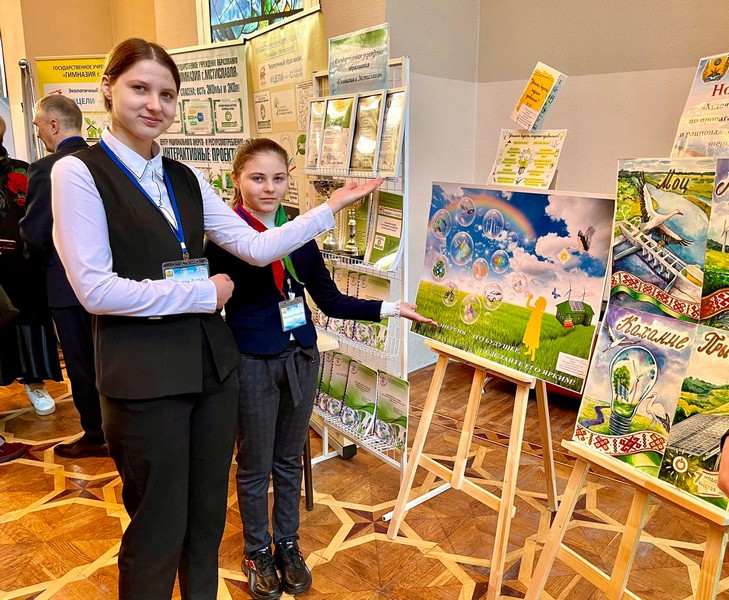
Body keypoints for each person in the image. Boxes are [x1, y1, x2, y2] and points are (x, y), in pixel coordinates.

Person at [50, 38, 381, 600]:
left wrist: (329, 209)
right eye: (140, 88)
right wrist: (203, 293)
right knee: (159, 526)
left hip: (211, 369)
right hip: (144, 377)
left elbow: (257, 246)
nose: (154, 104)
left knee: (206, 519)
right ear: (107, 88)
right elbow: (96, 289)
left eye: (167, 94)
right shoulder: (78, 173)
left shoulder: (183, 177)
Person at [204, 138, 435, 600]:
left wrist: (392, 308)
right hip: (252, 362)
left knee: (290, 458)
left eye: (278, 178)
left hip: (301, 357)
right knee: (255, 465)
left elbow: (329, 300)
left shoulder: (299, 232)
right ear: (236, 180)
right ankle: (257, 551)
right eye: (257, 178)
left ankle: (288, 544)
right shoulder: (225, 236)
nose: (268, 188)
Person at [19, 95, 106, 459]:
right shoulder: (106, 162)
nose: (38, 134)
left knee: (82, 364)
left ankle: (96, 436)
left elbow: (35, 233)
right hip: (111, 281)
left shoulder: (46, 169)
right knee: (110, 360)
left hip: (67, 287)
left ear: (54, 125)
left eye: (38, 126)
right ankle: (122, 430)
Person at [0, 114, 62, 414]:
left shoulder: (24, 170)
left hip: (24, 266)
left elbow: (40, 221)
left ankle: (35, 383)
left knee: (30, 321)